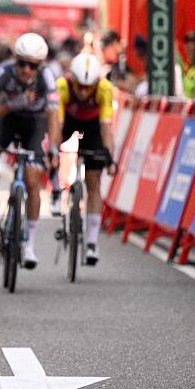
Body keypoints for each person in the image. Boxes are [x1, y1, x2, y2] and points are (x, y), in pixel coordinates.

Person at [0, 33, 60, 269]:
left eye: (32, 65)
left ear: (40, 64)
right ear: (15, 59)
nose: (26, 70)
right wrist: (11, 105)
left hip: (35, 124)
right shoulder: (3, 73)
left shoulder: (47, 76)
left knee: (33, 179)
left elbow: (54, 116)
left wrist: (53, 148)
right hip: (7, 118)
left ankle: (29, 245)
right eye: (22, 63)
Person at [50, 53, 115, 265]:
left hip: (92, 126)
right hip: (68, 121)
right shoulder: (62, 86)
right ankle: (55, 187)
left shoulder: (104, 88)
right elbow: (57, 126)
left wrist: (109, 156)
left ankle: (92, 243)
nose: (84, 91)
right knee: (54, 150)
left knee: (94, 182)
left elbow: (106, 127)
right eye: (80, 86)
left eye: (89, 87)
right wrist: (54, 152)